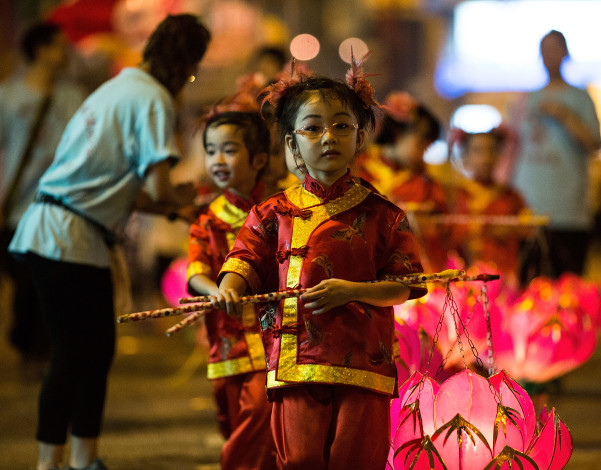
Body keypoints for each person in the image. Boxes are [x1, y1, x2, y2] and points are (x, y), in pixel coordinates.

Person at [9, 14, 210, 470]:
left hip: (63, 230)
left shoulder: (119, 88)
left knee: (92, 352)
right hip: (67, 237)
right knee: (75, 353)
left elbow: (114, 185)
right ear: (185, 62)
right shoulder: (153, 98)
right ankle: (55, 462)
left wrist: (172, 204)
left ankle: (80, 457)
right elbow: (158, 190)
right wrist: (184, 201)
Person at [213, 63, 427, 470]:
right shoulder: (271, 212)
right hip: (295, 364)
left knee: (356, 460)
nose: (328, 136)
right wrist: (229, 286)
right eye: (313, 128)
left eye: (342, 126)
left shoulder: (385, 215)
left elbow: (404, 285)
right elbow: (242, 259)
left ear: (359, 137)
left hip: (365, 363)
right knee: (300, 460)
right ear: (293, 143)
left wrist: (353, 291)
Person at [187, 103, 276, 470]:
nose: (217, 159)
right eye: (210, 151)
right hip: (228, 338)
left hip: (273, 336)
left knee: (260, 409)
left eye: (228, 149)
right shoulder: (207, 220)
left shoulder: (279, 211)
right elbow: (195, 273)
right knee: (232, 419)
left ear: (257, 160)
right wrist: (216, 290)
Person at [0, 21, 85, 374]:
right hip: (18, 208)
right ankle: (28, 345)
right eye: (59, 46)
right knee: (27, 283)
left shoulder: (73, 97)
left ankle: (43, 352)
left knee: (52, 284)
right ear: (40, 50)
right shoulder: (7, 97)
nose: (66, 52)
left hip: (62, 209)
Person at [511, 30, 601, 278]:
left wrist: (564, 115)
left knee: (568, 288)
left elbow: (594, 144)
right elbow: (511, 148)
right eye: (544, 49)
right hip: (528, 211)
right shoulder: (525, 99)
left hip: (568, 212)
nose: (549, 55)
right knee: (528, 287)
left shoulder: (580, 98)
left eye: (554, 49)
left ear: (565, 53)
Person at [352, 91, 448, 271]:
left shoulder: (427, 183)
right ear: (397, 134)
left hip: (410, 268)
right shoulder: (358, 170)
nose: (425, 152)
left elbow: (441, 228)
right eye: (421, 143)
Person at [448, 127, 531, 281]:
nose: (486, 157)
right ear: (465, 157)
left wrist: (512, 228)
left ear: (499, 156)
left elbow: (529, 228)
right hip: (465, 276)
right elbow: (448, 235)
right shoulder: (457, 196)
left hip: (505, 275)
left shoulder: (510, 196)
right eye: (478, 151)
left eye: (491, 150)